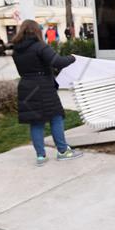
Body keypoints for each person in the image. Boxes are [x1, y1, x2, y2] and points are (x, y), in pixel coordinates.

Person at [12, 20, 82, 166]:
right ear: (37, 31)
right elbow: (58, 62)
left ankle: (41, 156)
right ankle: (63, 151)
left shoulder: (16, 50)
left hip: (26, 87)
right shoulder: (40, 47)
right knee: (56, 117)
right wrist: (73, 58)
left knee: (36, 122)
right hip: (43, 87)